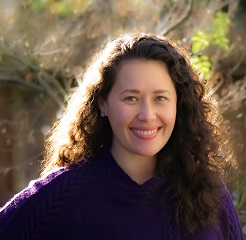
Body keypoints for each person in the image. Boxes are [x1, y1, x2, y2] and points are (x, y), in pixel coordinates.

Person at [0, 33, 243, 240]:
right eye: (131, 98)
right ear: (103, 103)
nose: (147, 115)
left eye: (160, 98)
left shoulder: (210, 196)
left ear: (179, 105)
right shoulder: (59, 197)